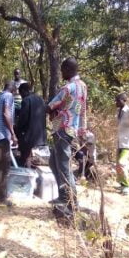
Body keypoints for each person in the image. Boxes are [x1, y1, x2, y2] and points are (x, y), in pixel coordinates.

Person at [47, 57, 87, 212]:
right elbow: (82, 109)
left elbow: (51, 106)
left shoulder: (68, 88)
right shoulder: (82, 86)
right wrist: (82, 129)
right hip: (71, 128)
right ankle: (63, 194)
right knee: (53, 161)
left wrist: (50, 110)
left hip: (63, 128)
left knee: (63, 165)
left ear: (69, 70)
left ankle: (70, 200)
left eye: (63, 69)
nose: (61, 72)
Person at [0, 82, 18, 205]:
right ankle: (2, 199)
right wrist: (13, 133)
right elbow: (6, 113)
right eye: (16, 91)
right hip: (2, 136)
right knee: (4, 167)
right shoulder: (8, 96)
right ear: (13, 89)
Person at [16, 83, 47, 167]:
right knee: (36, 162)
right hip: (41, 137)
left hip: (28, 137)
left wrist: (17, 131)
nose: (21, 96)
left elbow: (23, 119)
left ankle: (26, 175)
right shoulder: (41, 99)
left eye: (21, 93)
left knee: (26, 159)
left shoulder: (26, 100)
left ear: (23, 91)